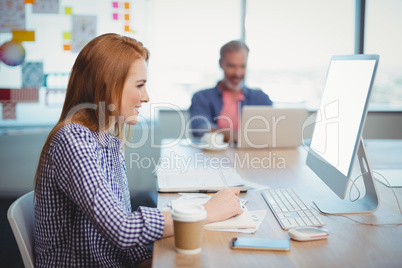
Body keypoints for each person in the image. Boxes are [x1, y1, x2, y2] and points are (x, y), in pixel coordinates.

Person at [33, 33, 243, 268]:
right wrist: (206, 212)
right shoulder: (73, 139)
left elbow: (119, 237)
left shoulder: (106, 139)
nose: (146, 97)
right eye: (140, 85)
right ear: (108, 84)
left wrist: (147, 258)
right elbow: (122, 229)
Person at [189, 40, 272, 142]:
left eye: (242, 66)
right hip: (213, 156)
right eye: (231, 66)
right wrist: (240, 136)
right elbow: (200, 128)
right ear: (221, 64)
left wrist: (222, 133)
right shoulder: (201, 97)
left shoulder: (260, 98)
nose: (237, 73)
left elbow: (271, 130)